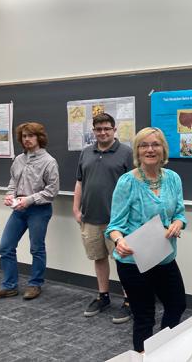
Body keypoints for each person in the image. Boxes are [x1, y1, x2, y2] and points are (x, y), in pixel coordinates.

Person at [106, 127, 187, 352]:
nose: (150, 149)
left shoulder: (172, 178)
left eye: (155, 144)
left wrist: (178, 223)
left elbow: (179, 213)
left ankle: (164, 349)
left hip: (164, 258)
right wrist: (118, 241)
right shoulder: (127, 182)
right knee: (144, 317)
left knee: (177, 305)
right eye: (144, 145)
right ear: (137, 151)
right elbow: (114, 225)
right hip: (133, 261)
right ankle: (143, 357)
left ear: (163, 150)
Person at [0, 122, 59, 301]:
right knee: (6, 247)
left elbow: (52, 191)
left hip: (39, 210)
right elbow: (13, 182)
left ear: (39, 138)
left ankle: (35, 284)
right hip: (18, 209)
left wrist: (29, 200)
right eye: (24, 136)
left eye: (31, 136)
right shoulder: (18, 160)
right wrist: (9, 195)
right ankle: (9, 286)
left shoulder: (49, 161)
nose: (27, 139)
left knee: (36, 248)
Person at [72, 113, 133, 323]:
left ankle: (129, 301)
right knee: (98, 257)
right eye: (98, 129)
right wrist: (75, 208)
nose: (103, 132)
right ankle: (103, 296)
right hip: (90, 217)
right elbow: (80, 182)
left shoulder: (126, 153)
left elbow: (135, 186)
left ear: (114, 130)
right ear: (94, 131)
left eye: (107, 128)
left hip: (118, 220)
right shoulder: (86, 152)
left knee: (123, 260)